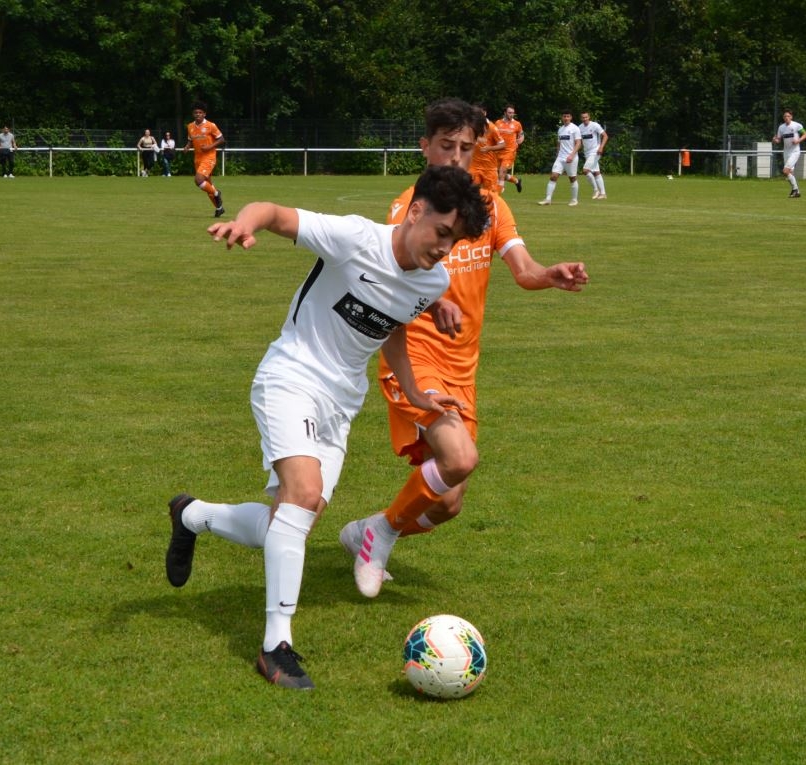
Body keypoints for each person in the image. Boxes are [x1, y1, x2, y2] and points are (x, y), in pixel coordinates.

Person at [163, 164, 489, 690]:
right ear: (416, 211)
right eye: (441, 232)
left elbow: (394, 327)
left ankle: (192, 515)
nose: (444, 249)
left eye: (454, 242)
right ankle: (275, 646)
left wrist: (414, 394)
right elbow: (273, 213)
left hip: (341, 404)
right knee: (303, 493)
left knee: (287, 523)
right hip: (290, 376)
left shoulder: (434, 280)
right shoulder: (354, 237)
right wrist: (244, 222)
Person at [339, 98, 589, 598]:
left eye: (466, 148)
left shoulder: (490, 207)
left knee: (448, 504)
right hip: (415, 356)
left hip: (463, 368)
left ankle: (367, 530)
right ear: (425, 147)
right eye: (446, 146)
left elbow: (523, 270)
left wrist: (549, 275)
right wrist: (434, 305)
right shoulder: (411, 207)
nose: (455, 157)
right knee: (458, 457)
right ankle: (381, 535)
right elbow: (389, 280)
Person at [182, 103, 225, 216]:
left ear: (204, 114)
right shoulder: (190, 126)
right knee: (207, 185)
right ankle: (219, 208)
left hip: (209, 157)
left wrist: (210, 147)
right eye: (196, 112)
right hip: (198, 159)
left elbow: (221, 139)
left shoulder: (211, 125)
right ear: (193, 114)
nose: (198, 114)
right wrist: (187, 147)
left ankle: (217, 193)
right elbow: (190, 140)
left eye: (200, 112)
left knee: (199, 180)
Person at [538, 109, 581, 206]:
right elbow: (559, 143)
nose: (566, 118)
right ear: (562, 117)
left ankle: (574, 200)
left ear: (571, 117)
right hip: (560, 157)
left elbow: (578, 143)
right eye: (564, 116)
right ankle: (548, 199)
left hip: (571, 158)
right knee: (553, 176)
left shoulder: (575, 128)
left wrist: (572, 155)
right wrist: (557, 154)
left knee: (572, 178)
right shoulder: (560, 129)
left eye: (568, 116)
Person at [468, 104, 505, 195]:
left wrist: (489, 148)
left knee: (491, 196)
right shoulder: (471, 127)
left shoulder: (492, 127)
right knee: (470, 193)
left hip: (489, 168)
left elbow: (503, 145)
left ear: (484, 113)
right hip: (474, 167)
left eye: (478, 113)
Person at [773, 109, 806, 197]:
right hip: (786, 152)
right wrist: (775, 140)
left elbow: (805, 134)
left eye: (788, 116)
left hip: (795, 151)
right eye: (785, 116)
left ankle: (795, 189)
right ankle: (797, 192)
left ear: (791, 117)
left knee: (785, 171)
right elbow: (778, 140)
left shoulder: (796, 125)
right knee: (790, 173)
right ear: (783, 117)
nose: (786, 118)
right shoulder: (781, 127)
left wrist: (798, 140)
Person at [579, 111, 609, 200]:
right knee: (596, 172)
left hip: (595, 152)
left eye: (586, 117)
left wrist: (601, 147)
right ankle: (603, 194)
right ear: (581, 118)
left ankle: (596, 190)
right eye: (583, 117)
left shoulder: (595, 125)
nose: (585, 119)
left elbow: (605, 136)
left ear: (589, 117)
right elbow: (580, 141)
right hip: (587, 153)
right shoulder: (580, 127)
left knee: (585, 170)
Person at [495, 104, 524, 193]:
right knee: (498, 174)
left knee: (502, 172)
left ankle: (498, 194)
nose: (511, 114)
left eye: (513, 113)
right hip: (498, 151)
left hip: (509, 152)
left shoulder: (517, 124)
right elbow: (493, 135)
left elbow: (522, 135)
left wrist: (520, 140)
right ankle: (516, 181)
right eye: (509, 112)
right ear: (505, 113)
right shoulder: (498, 123)